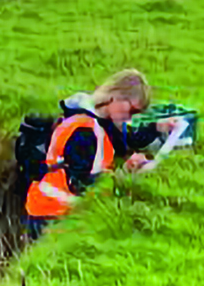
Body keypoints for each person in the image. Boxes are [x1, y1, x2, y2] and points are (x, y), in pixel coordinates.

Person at [24, 68, 174, 239]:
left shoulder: (100, 122)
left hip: (60, 209)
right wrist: (125, 172)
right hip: (50, 213)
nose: (130, 119)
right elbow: (82, 183)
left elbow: (126, 138)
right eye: (131, 110)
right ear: (115, 96)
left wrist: (156, 127)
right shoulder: (84, 131)